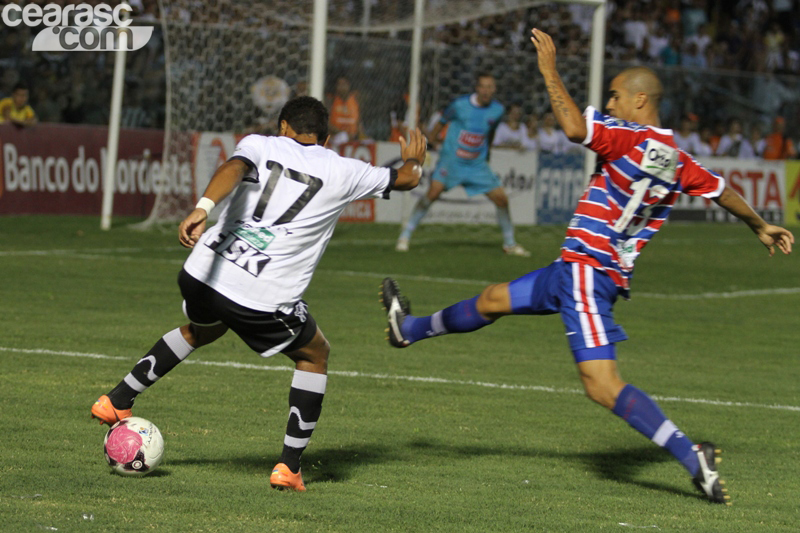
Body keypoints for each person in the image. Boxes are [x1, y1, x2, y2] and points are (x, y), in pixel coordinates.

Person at [380, 29, 794, 505]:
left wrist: (549, 71)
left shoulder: (628, 136)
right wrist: (759, 225)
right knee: (493, 299)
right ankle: (409, 329)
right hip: (573, 269)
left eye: (616, 96)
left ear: (640, 100)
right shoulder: (677, 160)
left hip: (587, 272)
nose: (610, 104)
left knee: (601, 384)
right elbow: (721, 190)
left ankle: (691, 454)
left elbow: (576, 129)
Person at [91, 96, 428, 491]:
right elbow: (408, 178)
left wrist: (202, 208)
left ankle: (116, 400)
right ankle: (289, 467)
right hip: (262, 292)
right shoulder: (345, 169)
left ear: (283, 126)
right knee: (314, 354)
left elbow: (234, 167)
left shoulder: (259, 144)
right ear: (326, 138)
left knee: (203, 329)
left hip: (203, 270)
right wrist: (414, 159)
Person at [395, 73, 530, 257]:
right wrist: (429, 143)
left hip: (476, 165)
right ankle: (405, 235)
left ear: (495, 90)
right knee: (432, 193)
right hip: (452, 161)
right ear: (476, 88)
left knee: (501, 199)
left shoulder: (497, 110)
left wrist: (487, 153)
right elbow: (441, 122)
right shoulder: (459, 106)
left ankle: (510, 244)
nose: (486, 91)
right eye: (483, 86)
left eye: (490, 87)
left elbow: (490, 132)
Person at [327, 75, 365, 149]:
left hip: (353, 136)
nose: (342, 87)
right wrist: (342, 132)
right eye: (339, 84)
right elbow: (327, 123)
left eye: (344, 84)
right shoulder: (331, 100)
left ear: (349, 85)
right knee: (343, 137)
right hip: (336, 137)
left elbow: (359, 121)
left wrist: (359, 134)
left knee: (369, 142)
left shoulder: (355, 100)